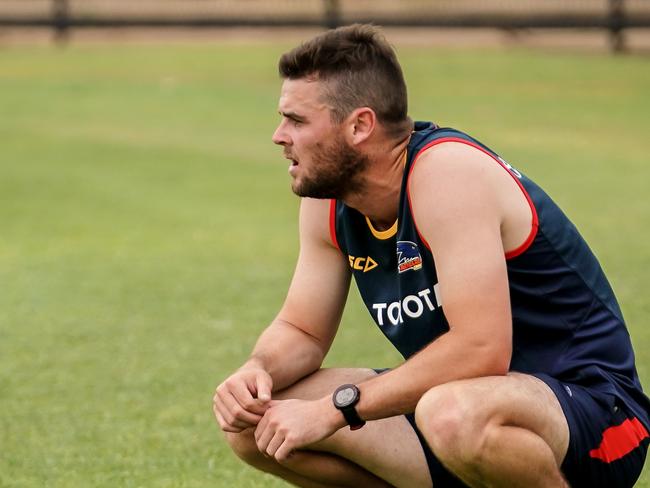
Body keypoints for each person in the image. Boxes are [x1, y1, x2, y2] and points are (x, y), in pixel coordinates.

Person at [213, 24, 650, 487]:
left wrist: (334, 408)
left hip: (596, 416)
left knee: (451, 414)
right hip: (460, 410)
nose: (279, 135)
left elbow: (481, 350)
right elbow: (301, 329)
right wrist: (256, 370)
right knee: (260, 421)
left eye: (297, 120)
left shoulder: (446, 174)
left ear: (360, 125)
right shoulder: (327, 201)